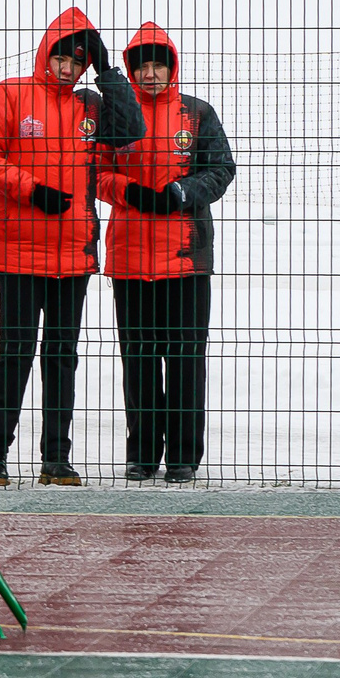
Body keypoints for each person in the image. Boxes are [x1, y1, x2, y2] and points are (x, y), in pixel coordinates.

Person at [0, 9, 144, 485]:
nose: (68, 68)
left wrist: (110, 74)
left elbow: (130, 133)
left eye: (78, 61)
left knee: (62, 354)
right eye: (61, 57)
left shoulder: (91, 103)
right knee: (17, 350)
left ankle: (55, 458)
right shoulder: (10, 93)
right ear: (46, 53)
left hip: (75, 252)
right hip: (20, 250)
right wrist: (31, 189)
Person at [97, 24, 236, 482]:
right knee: (138, 359)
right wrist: (131, 193)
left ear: (171, 67)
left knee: (184, 359)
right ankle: (142, 454)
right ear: (132, 70)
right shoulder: (116, 112)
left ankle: (182, 457)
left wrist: (181, 191)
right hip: (130, 258)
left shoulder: (197, 114)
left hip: (185, 259)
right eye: (142, 65)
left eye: (158, 64)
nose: (151, 73)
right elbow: (95, 171)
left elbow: (220, 168)